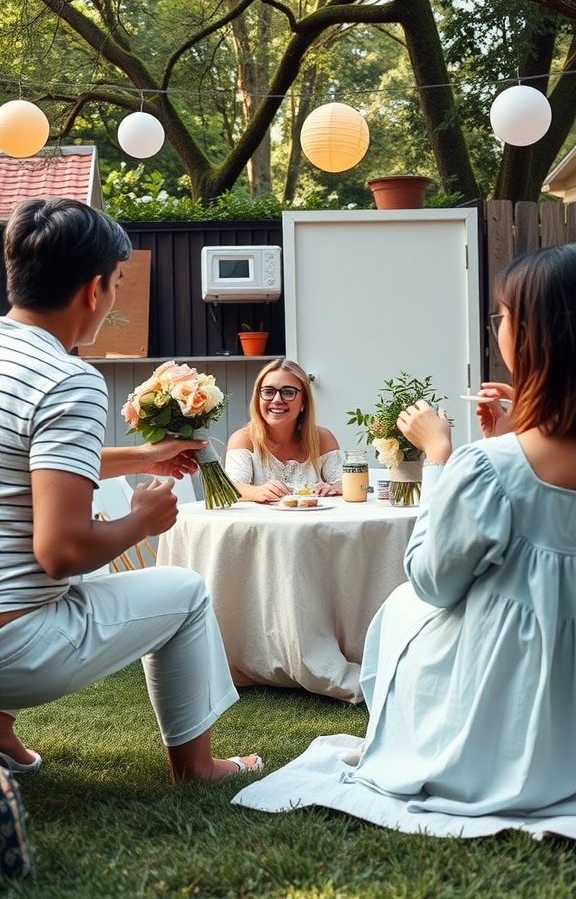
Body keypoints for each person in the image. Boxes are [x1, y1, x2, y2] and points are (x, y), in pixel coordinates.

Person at [232, 243, 576, 838]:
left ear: (531, 336)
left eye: (501, 317)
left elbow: (434, 577)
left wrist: (444, 456)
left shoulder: (490, 467)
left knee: (401, 606)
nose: (499, 331)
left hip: (514, 692)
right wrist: (520, 426)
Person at [0, 197, 261, 783]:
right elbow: (61, 551)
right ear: (94, 291)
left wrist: (144, 456)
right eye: (117, 284)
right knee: (187, 592)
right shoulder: (67, 378)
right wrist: (141, 520)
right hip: (15, 644)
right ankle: (199, 767)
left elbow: (28, 463)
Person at [225, 358, 342, 502]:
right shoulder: (244, 439)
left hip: (314, 523)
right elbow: (230, 488)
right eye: (268, 391)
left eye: (288, 392)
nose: (276, 400)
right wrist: (257, 492)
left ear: (304, 401)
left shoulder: (323, 438)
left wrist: (334, 488)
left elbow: (348, 484)